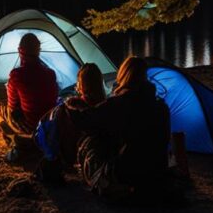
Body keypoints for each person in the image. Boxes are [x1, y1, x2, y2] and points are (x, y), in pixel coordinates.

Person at [68, 57, 172, 199]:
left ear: (123, 75)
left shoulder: (119, 103)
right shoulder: (161, 106)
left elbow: (86, 121)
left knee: (90, 147)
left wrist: (72, 106)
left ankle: (116, 187)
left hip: (129, 171)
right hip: (158, 170)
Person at [0, 33, 58, 160]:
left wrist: (10, 87)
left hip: (29, 125)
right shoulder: (50, 73)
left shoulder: (16, 75)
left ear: (20, 51)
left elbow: (13, 107)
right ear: (39, 51)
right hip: (47, 124)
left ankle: (14, 138)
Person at [34, 63, 107, 182]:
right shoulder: (106, 106)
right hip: (92, 155)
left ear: (81, 84)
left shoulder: (71, 108)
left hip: (71, 156)